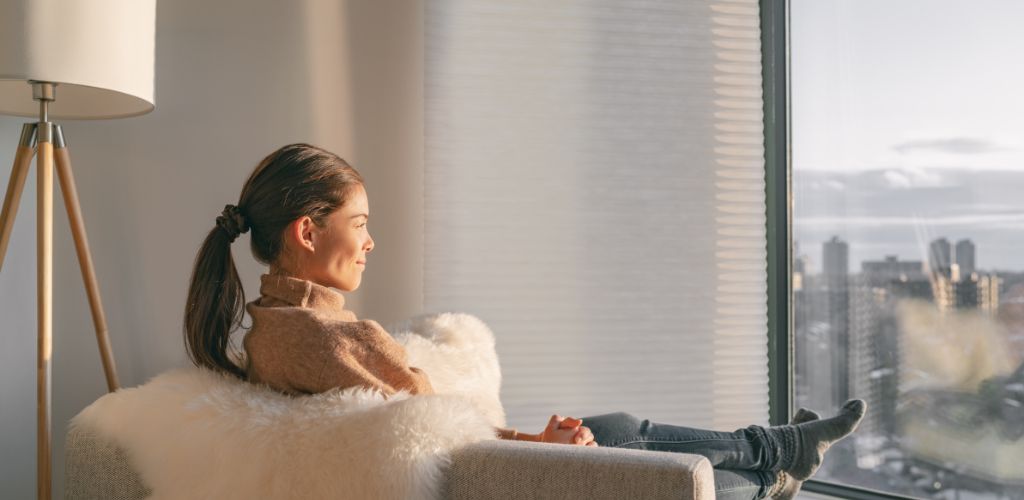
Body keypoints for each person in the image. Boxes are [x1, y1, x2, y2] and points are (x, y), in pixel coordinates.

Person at [184, 143, 865, 500]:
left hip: (473, 464)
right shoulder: (338, 338)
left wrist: (535, 436)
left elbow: (419, 421)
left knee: (621, 428)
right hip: (480, 480)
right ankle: (773, 469)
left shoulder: (270, 329)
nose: (370, 241)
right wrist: (538, 446)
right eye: (358, 225)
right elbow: (441, 435)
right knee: (661, 470)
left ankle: (778, 446)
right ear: (307, 231)